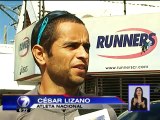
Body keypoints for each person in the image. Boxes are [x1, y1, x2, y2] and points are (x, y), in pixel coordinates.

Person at [0, 10, 118, 120]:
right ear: (40, 54)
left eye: (86, 47)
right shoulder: (10, 114)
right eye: (71, 46)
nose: (84, 54)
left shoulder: (104, 112)